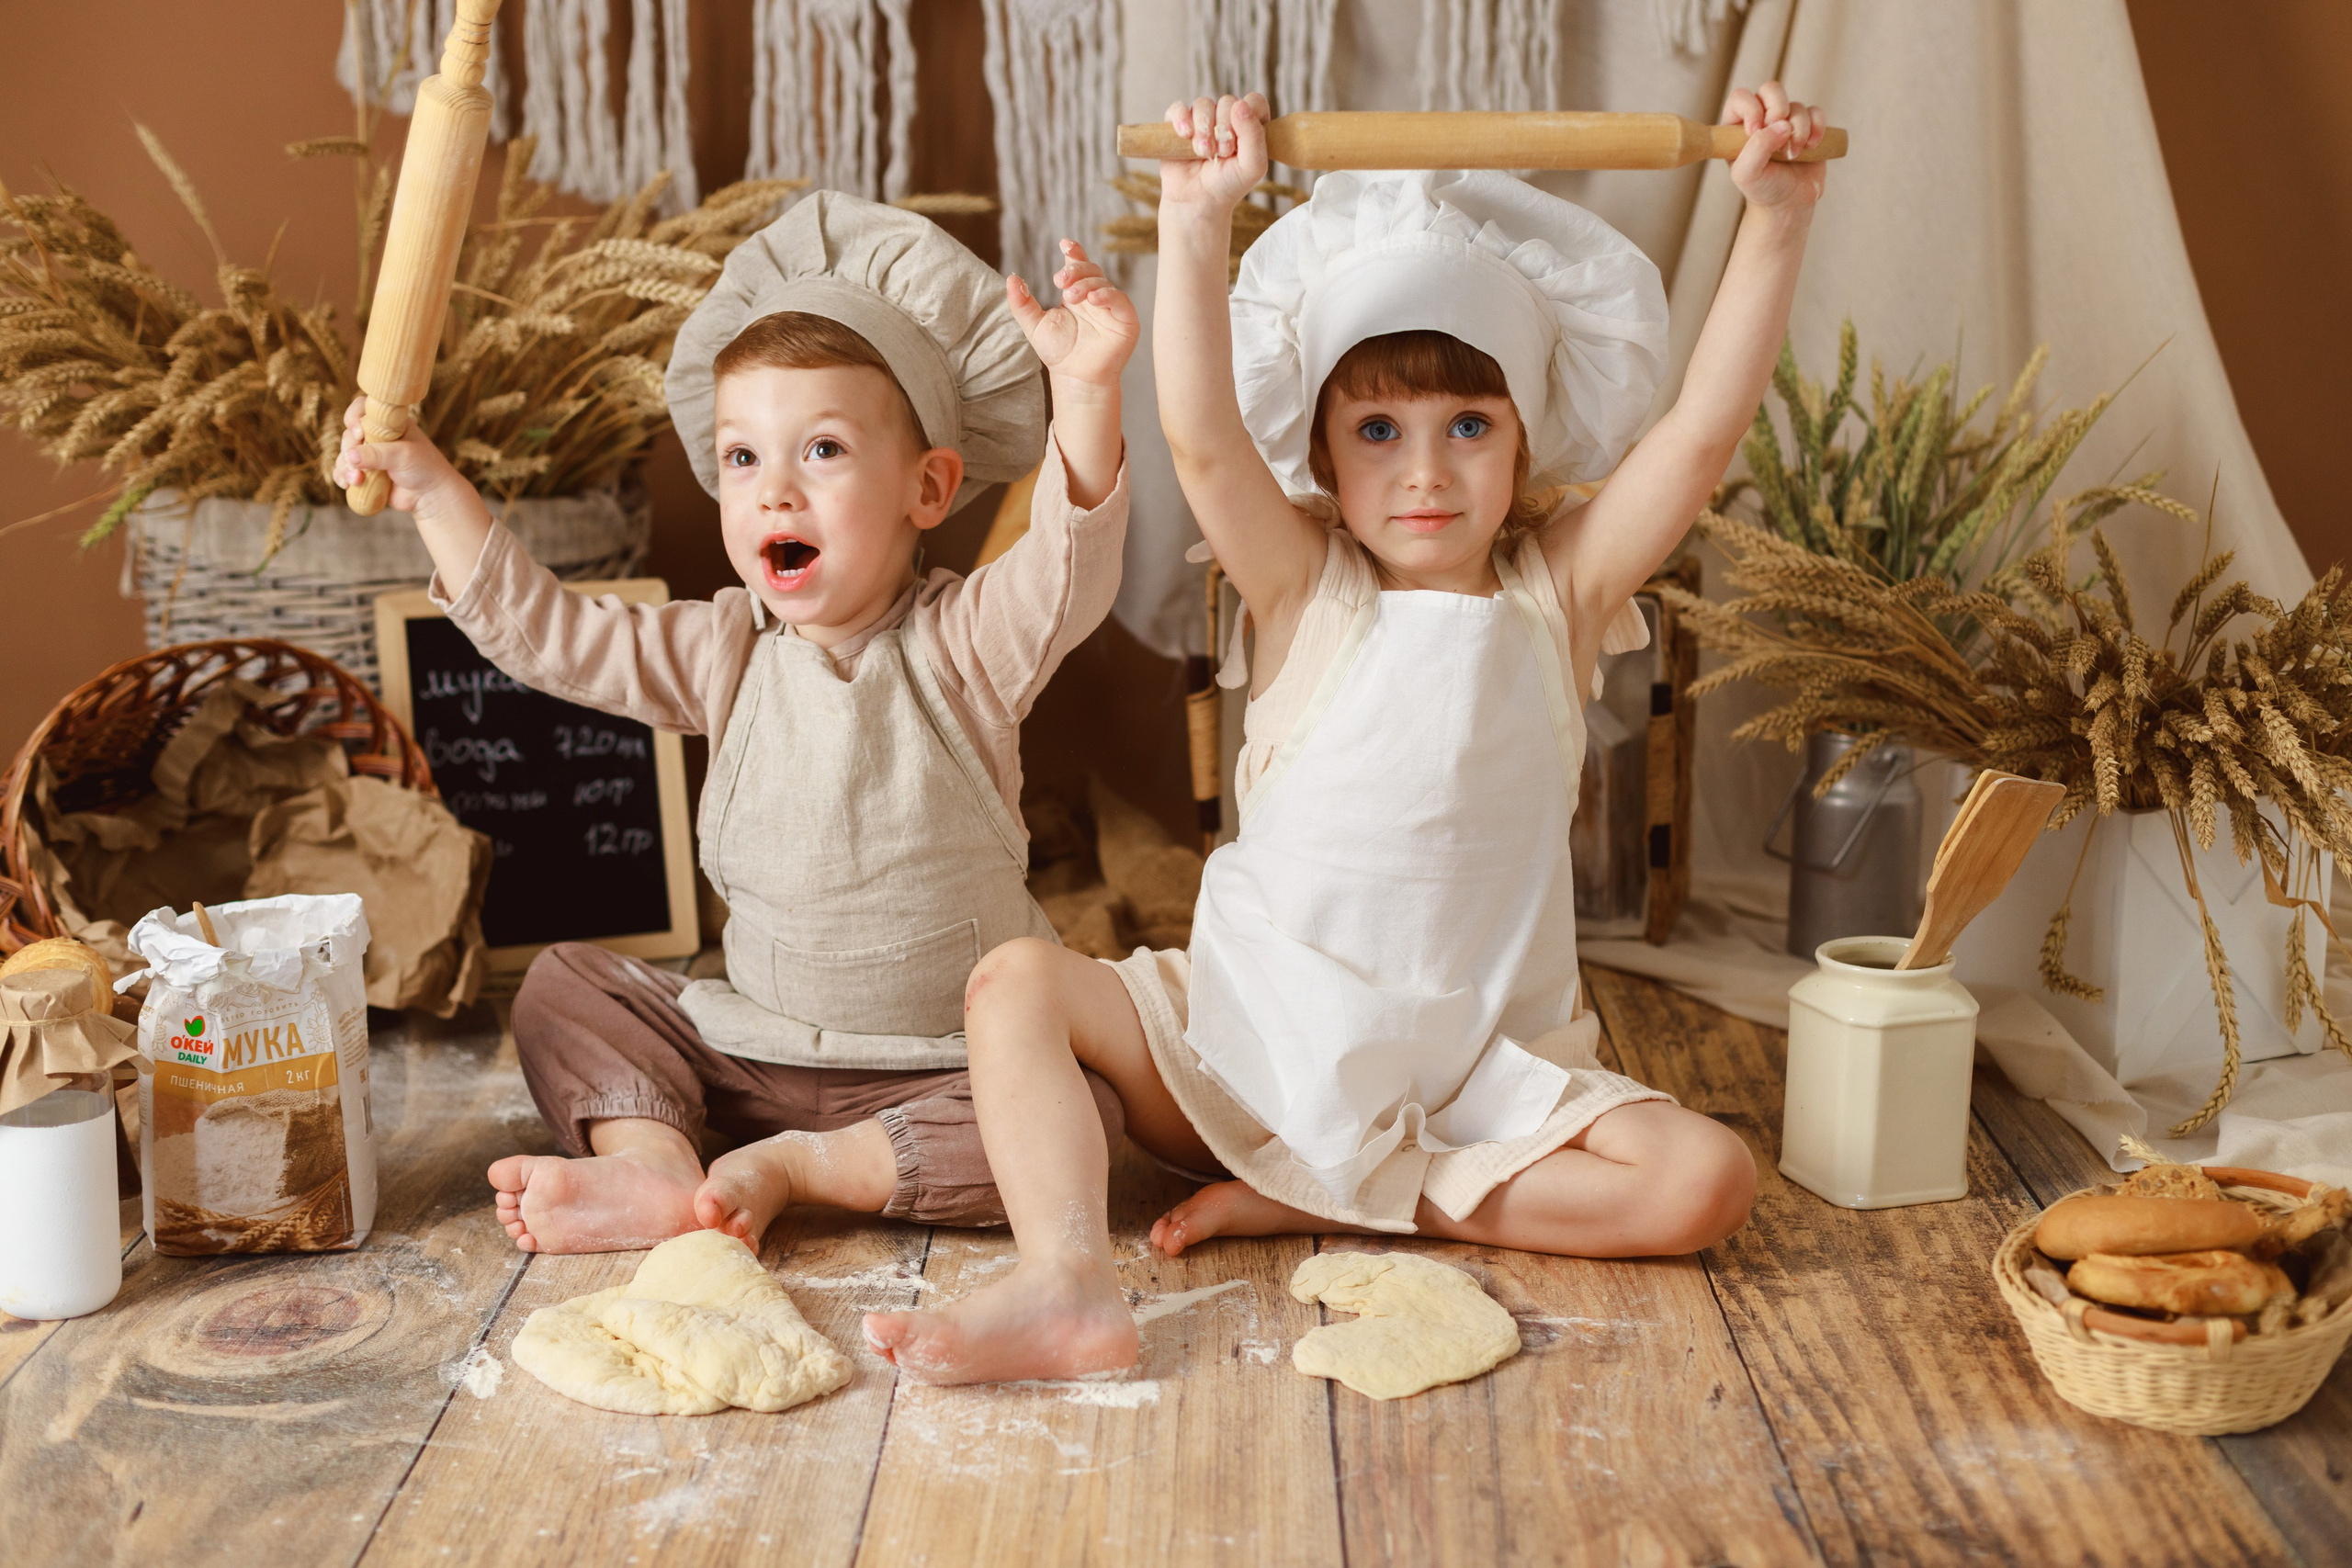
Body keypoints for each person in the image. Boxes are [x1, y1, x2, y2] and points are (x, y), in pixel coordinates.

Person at [862, 84, 1828, 1383]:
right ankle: (1064, 1279)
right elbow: (1202, 442)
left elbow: (1701, 434)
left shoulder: (1560, 595)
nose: (1425, 473)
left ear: (1528, 434)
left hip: (1482, 1074)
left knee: (1705, 1181)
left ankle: (1378, 1190)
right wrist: (1198, 222)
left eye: (1468, 428)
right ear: (1320, 448)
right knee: (1013, 980)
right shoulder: (1310, 588)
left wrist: (1775, 215)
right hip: (1251, 1050)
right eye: (1378, 431)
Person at [334, 195, 1138, 1254]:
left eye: (825, 452)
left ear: (929, 487)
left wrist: (1084, 393)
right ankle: (658, 1172)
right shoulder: (724, 648)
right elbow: (556, 637)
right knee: (565, 988)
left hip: (942, 1067)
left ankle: (804, 1172)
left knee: (1092, 1119)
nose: (775, 495)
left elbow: (1065, 569)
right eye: (746, 459)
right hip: (746, 1052)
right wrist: (436, 493)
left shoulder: (970, 644)